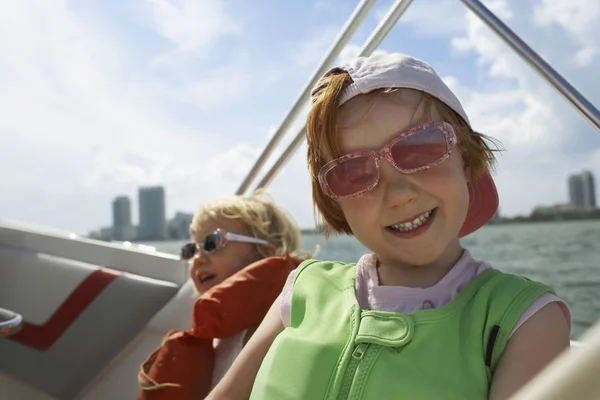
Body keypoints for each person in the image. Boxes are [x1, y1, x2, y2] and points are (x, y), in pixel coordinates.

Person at [207, 53, 571, 400]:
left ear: (466, 159)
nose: (397, 194)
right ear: (335, 200)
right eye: (353, 173)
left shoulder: (526, 321)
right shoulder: (302, 289)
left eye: (420, 149)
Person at [137, 189, 305, 400]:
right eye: (191, 250)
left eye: (212, 242)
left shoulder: (273, 328)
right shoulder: (216, 334)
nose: (197, 259)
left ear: (265, 254)